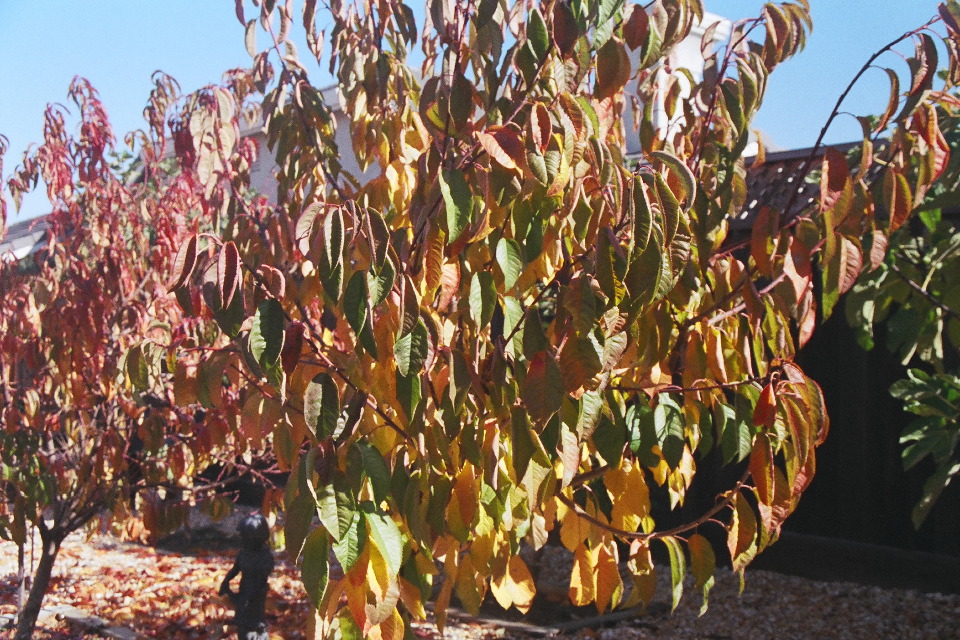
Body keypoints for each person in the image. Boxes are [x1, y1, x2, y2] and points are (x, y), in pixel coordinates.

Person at [219, 513, 275, 640]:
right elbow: (235, 569)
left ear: (256, 538)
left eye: (245, 538)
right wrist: (226, 581)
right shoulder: (244, 553)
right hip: (245, 588)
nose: (242, 540)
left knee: (253, 624)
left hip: (256, 593)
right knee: (242, 623)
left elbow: (261, 582)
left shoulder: (264, 557)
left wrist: (244, 600)